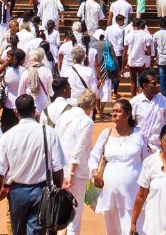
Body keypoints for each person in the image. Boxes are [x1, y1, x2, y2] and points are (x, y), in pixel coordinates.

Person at [0, 95, 67, 235]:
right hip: (41, 193)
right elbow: (58, 170)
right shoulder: (48, 132)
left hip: (17, 193)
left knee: (17, 231)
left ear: (16, 112)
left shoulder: (8, 136)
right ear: (34, 110)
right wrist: (57, 193)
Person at [90, 99, 148, 235]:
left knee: (133, 227)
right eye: (113, 111)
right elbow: (93, 157)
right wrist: (95, 172)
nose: (114, 114)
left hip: (133, 191)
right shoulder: (107, 134)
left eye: (118, 111)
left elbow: (147, 161)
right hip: (110, 191)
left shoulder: (139, 135)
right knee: (112, 228)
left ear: (128, 115)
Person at [130, 123, 166, 235]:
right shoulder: (150, 162)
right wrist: (133, 222)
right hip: (154, 225)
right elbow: (141, 196)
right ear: (160, 140)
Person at [57, 91, 98, 235]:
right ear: (91, 106)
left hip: (59, 170)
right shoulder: (87, 122)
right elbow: (78, 150)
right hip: (75, 173)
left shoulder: (64, 116)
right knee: (74, 218)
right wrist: (72, 173)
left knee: (61, 216)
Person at [131, 73, 166, 151]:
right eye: (154, 83)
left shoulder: (163, 101)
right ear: (144, 85)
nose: (158, 85)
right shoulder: (134, 102)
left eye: (158, 83)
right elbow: (130, 126)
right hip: (139, 147)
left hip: (159, 148)